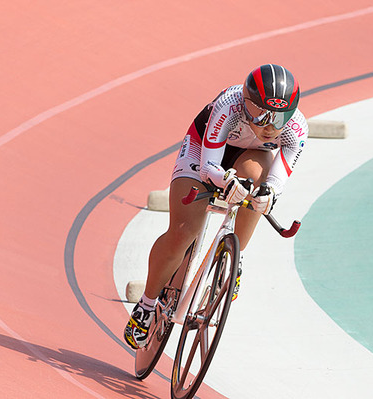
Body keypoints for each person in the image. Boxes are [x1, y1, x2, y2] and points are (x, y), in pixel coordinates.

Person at [124, 64, 308, 350]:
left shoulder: (296, 129)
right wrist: (223, 180)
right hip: (203, 149)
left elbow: (278, 178)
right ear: (247, 103)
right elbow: (210, 166)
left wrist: (268, 194)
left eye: (279, 117)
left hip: (251, 154)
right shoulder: (229, 105)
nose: (269, 125)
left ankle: (237, 256)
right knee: (184, 232)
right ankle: (146, 306)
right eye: (261, 114)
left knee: (258, 187)